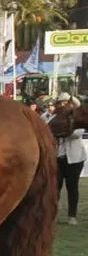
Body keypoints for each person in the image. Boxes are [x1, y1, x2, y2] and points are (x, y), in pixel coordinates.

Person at [55, 92, 86, 225]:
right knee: (55, 188)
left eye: (66, 102)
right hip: (57, 157)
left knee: (72, 187)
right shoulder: (53, 117)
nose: (64, 104)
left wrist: (61, 131)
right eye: (61, 102)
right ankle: (54, 214)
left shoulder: (78, 117)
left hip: (75, 158)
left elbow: (77, 134)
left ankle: (72, 216)